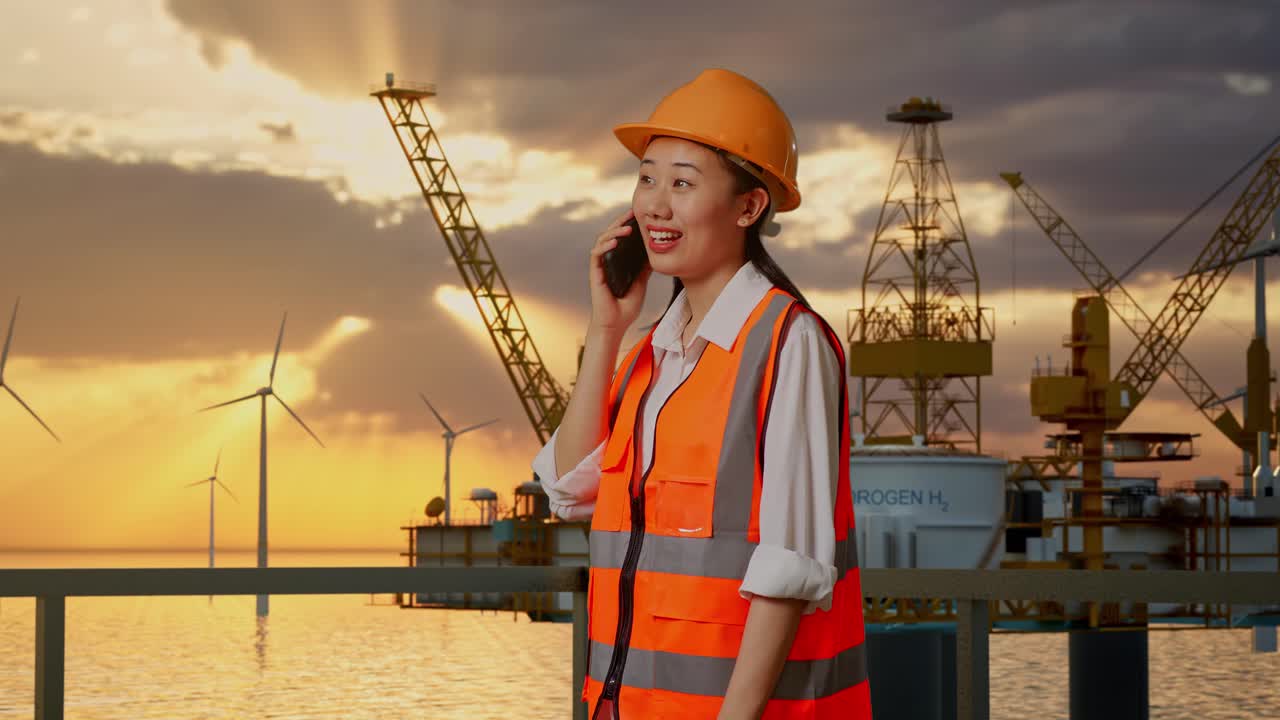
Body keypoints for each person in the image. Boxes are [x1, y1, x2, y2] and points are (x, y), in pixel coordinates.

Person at [532, 68, 871, 720]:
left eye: (683, 183)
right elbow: (571, 491)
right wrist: (606, 329)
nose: (655, 204)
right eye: (647, 178)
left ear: (749, 208)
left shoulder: (786, 343)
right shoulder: (646, 352)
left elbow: (790, 566)